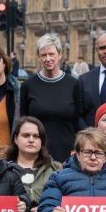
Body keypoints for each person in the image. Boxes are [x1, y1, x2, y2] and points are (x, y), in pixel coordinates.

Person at [5, 117, 62, 212]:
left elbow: (69, 199)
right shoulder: (3, 171)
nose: (31, 140)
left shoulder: (57, 168)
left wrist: (48, 211)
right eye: (26, 135)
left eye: (36, 136)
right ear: (16, 139)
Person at [20, 34, 82, 163]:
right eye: (43, 55)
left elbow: (78, 121)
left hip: (68, 153)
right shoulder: (28, 86)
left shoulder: (73, 84)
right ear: (38, 57)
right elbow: (23, 122)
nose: (48, 59)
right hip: (37, 153)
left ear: (59, 55)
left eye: (51, 54)